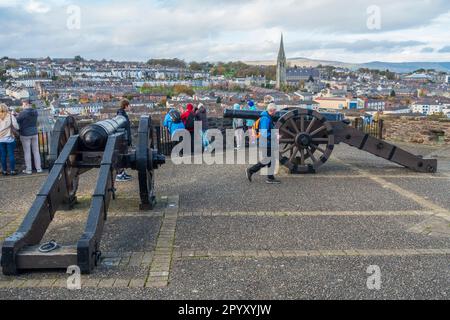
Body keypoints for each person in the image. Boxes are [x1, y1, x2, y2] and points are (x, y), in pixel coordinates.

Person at [246, 103, 281, 184]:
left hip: (267, 142)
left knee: (270, 160)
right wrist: (275, 136)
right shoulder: (266, 119)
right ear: (271, 110)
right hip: (266, 143)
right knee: (267, 160)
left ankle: (270, 177)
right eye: (275, 111)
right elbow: (264, 133)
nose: (275, 112)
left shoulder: (267, 117)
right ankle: (251, 170)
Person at [17, 100, 42, 175]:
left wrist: (17, 115)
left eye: (23, 105)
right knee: (36, 151)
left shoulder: (23, 113)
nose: (22, 106)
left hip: (25, 134)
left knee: (27, 152)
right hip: (34, 132)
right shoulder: (35, 112)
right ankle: (39, 168)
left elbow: (17, 120)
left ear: (25, 105)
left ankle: (29, 169)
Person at [0, 103, 19, 176]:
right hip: (9, 138)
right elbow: (16, 127)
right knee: (11, 155)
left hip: (0, 140)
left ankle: (4, 171)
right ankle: (12, 171)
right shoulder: (11, 116)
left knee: (3, 156)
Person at [116, 99, 133, 182]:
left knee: (123, 155)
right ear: (126, 106)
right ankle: (119, 175)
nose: (130, 107)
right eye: (129, 105)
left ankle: (122, 173)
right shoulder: (121, 115)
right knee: (121, 156)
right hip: (123, 139)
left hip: (124, 138)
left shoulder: (122, 114)